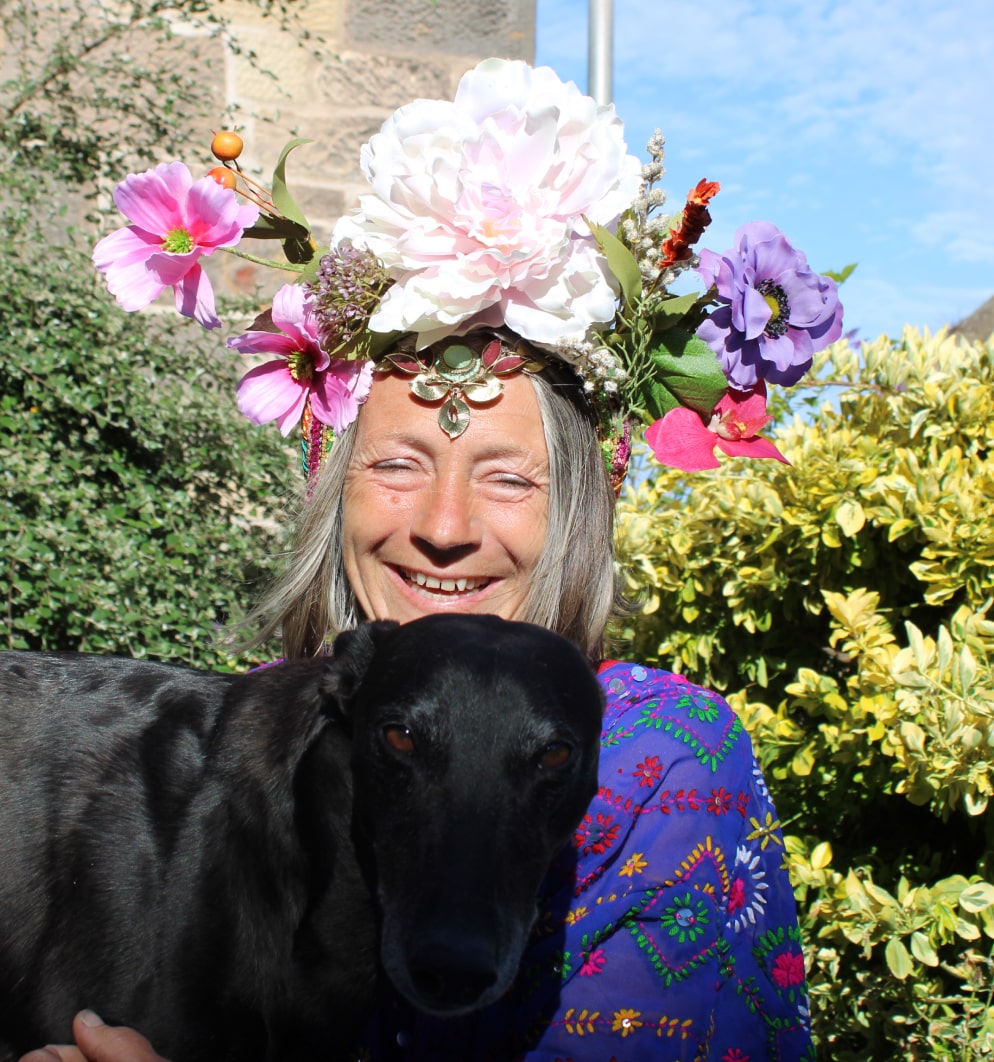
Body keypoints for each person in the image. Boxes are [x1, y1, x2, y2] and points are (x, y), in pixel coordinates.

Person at [28, 56, 844, 1062]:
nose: (445, 525)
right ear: (334, 490)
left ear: (580, 515)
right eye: (400, 462)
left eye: (507, 478)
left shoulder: (655, 762)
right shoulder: (247, 741)